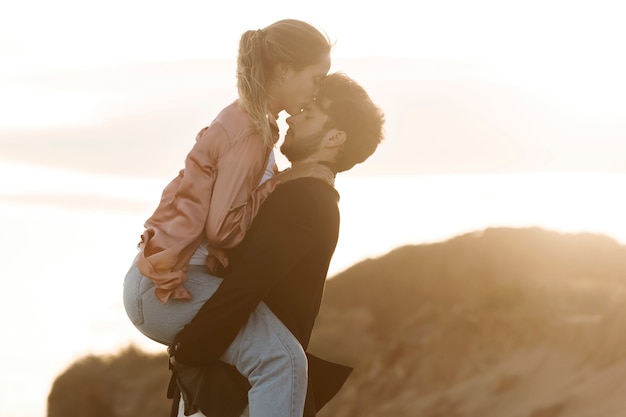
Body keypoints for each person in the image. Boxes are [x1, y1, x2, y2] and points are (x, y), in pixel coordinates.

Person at [123, 18, 333, 415]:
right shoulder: (252, 131)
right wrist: (281, 184)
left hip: (166, 284)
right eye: (316, 78)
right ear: (285, 71)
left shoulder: (250, 121)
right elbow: (222, 230)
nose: (316, 90)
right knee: (282, 361)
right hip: (167, 290)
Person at [168, 71, 386, 417]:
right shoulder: (295, 193)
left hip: (240, 392)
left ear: (335, 138)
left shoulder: (305, 200)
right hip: (236, 382)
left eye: (310, 115)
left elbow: (247, 284)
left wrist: (189, 350)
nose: (292, 116)